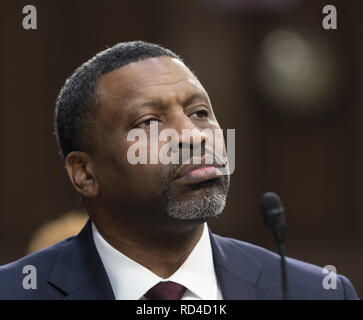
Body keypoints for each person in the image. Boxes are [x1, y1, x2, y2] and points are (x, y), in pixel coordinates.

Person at [0, 41, 358, 300]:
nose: (191, 135)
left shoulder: (314, 292)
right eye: (150, 121)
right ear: (85, 173)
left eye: (200, 113)